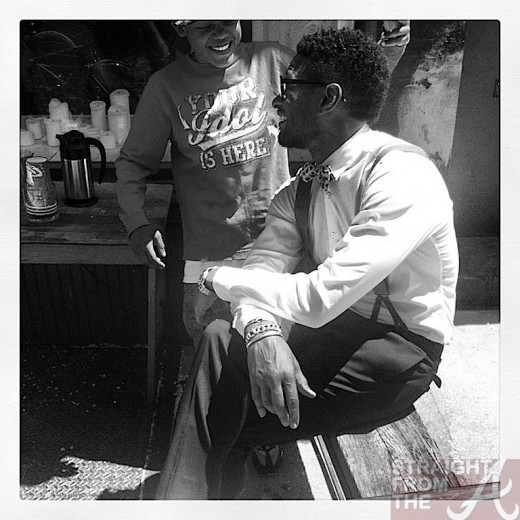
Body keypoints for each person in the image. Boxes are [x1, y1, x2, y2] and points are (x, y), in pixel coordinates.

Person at [154, 26, 458, 499]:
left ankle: (185, 498)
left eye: (288, 88)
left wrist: (215, 277)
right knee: (220, 342)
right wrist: (263, 332)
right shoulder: (299, 189)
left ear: (328, 98)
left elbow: (318, 299)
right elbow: (263, 267)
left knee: (223, 411)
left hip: (396, 352)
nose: (275, 102)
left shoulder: (402, 176)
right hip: (333, 332)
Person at [115, 20, 411, 347]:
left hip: (285, 245)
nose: (220, 33)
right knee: (216, 347)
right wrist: (136, 221)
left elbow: (344, 92)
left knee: (286, 351)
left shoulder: (271, 59)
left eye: (228, 21)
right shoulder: (166, 86)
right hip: (211, 255)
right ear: (181, 28)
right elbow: (134, 161)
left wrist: (390, 47)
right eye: (205, 27)